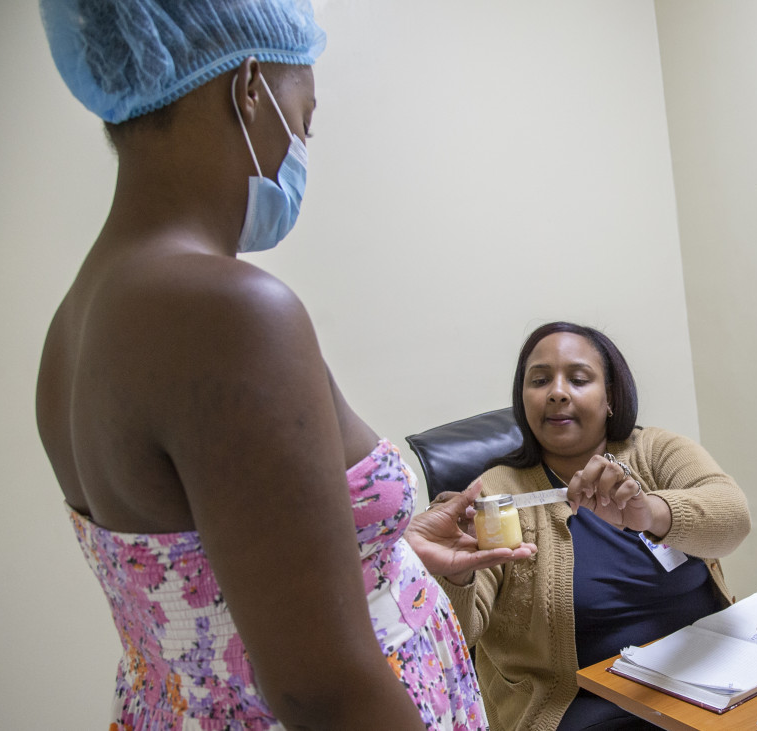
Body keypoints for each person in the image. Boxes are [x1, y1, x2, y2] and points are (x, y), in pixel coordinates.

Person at [35, 1, 531, 728]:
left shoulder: (76, 322)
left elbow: (210, 590)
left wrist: (384, 560)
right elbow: (320, 691)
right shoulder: (226, 313)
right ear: (249, 87)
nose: (300, 145)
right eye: (304, 119)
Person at [411, 322, 752, 731]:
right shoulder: (495, 494)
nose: (557, 392)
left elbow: (734, 518)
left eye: (578, 379)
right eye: (540, 380)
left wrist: (649, 514)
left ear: (611, 398)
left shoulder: (656, 451)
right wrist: (455, 575)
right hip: (585, 708)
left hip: (711, 677)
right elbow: (456, 637)